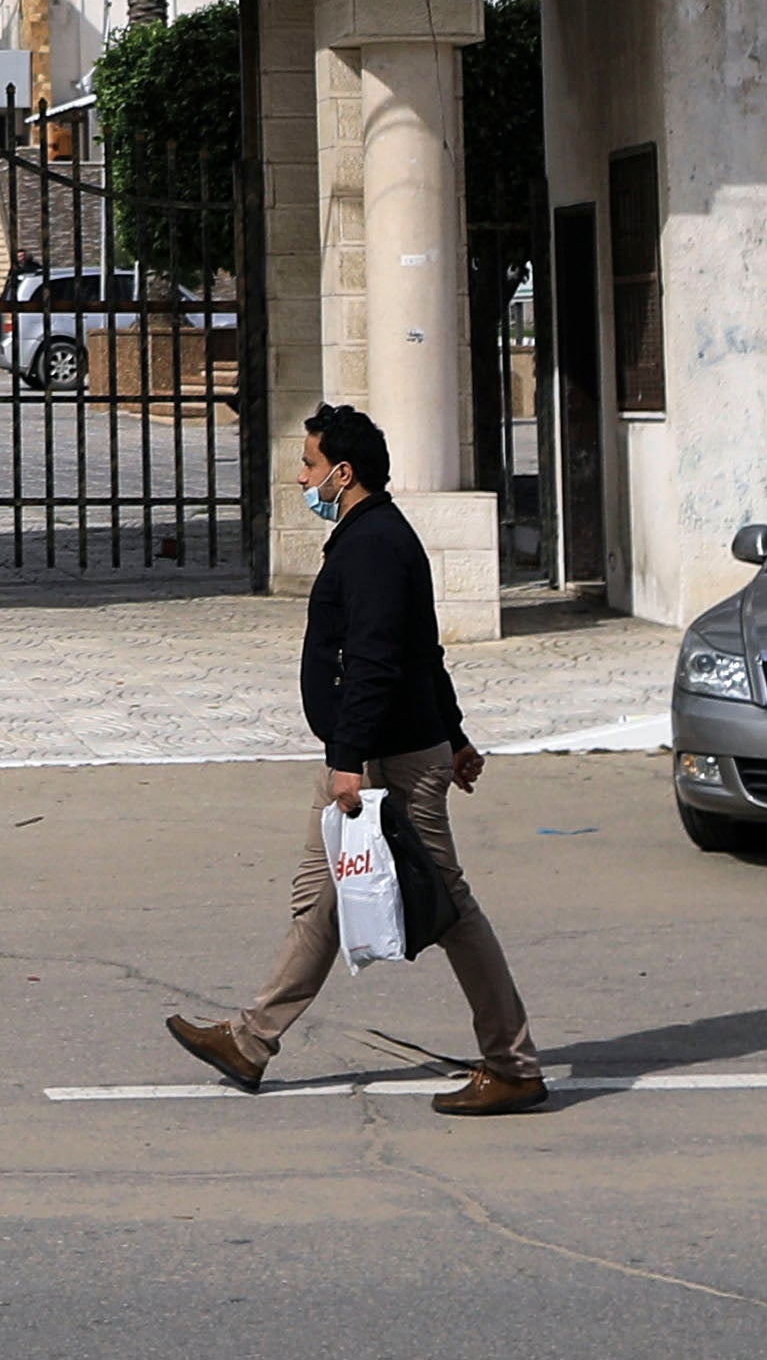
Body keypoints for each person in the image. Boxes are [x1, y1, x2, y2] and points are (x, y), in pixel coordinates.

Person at [161, 402, 543, 1113]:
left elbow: (374, 661)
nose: (302, 478)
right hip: (373, 751)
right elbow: (420, 648)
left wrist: (352, 759)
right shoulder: (374, 534)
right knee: (318, 899)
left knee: (449, 907)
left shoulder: (372, 544)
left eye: (308, 465)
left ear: (342, 472)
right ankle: (250, 1039)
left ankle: (513, 1063)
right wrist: (454, 733)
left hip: (386, 761)